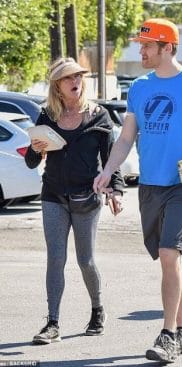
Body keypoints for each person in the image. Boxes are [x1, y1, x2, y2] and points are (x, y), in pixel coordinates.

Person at [92, 18, 182, 363]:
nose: (141, 51)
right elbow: (126, 138)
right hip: (150, 184)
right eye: (141, 45)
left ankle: (167, 335)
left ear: (168, 48)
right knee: (169, 260)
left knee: (170, 254)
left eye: (147, 46)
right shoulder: (138, 87)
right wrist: (108, 170)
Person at [25, 57, 125, 344]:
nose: (75, 82)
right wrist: (35, 149)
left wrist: (114, 191)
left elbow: (111, 161)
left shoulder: (99, 116)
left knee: (86, 261)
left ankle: (97, 310)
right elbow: (32, 161)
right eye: (69, 78)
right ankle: (52, 323)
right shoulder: (46, 117)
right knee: (55, 260)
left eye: (79, 77)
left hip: (87, 198)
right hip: (54, 196)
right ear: (57, 86)